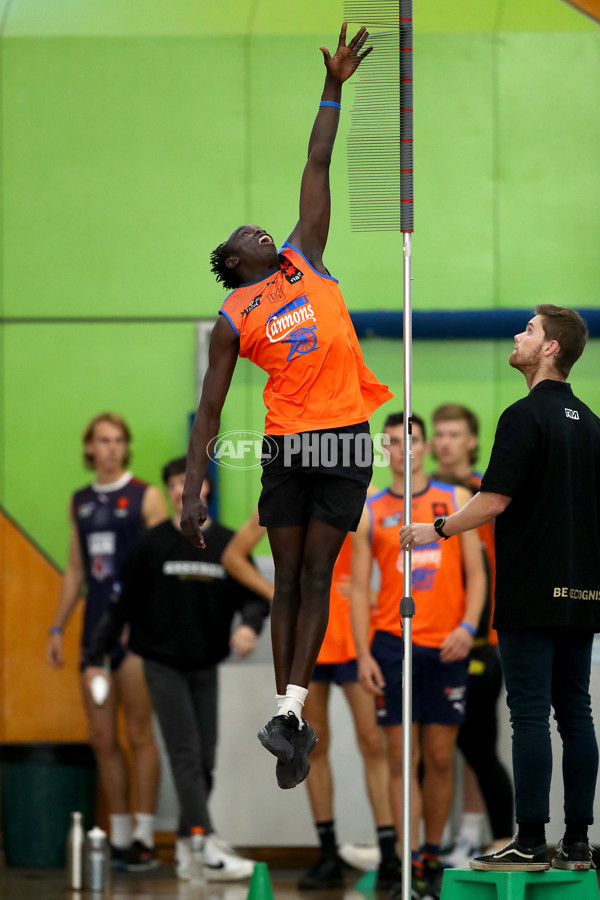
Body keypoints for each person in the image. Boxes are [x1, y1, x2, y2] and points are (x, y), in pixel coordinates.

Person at [180, 23, 392, 790]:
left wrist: (334, 85)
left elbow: (317, 158)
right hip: (287, 444)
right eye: (243, 235)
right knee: (289, 572)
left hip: (342, 436)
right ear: (235, 262)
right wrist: (194, 490)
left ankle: (290, 714)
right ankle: (291, 716)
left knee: (317, 576)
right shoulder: (236, 315)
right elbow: (207, 415)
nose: (258, 226)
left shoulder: (307, 256)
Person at [400, 305, 600, 873]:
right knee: (577, 714)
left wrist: (434, 527)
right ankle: (578, 841)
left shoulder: (522, 415)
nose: (520, 335)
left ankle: (532, 838)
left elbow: (494, 500)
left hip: (532, 591)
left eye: (530, 330)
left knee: (531, 715)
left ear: (551, 349)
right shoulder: (590, 422)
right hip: (583, 592)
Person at [84, 457, 269, 881]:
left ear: (207, 489)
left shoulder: (226, 543)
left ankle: (188, 845)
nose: (184, 490)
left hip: (206, 665)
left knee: (205, 758)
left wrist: (250, 628)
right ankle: (204, 843)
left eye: (194, 483)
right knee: (186, 754)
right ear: (170, 492)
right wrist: (95, 657)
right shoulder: (151, 545)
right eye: (176, 484)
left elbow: (256, 597)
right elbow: (122, 607)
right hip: (162, 665)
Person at [222, 504, 400, 890]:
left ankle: (390, 855)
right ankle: (327, 854)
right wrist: (280, 594)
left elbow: (382, 554)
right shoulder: (289, 491)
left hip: (355, 639)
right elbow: (233, 555)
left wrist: (371, 597)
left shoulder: (356, 492)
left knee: (373, 742)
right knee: (313, 747)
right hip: (310, 643)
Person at [351, 412, 486, 900]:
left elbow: (478, 574)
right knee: (398, 758)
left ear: (425, 446)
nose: (403, 449)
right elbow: (358, 589)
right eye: (392, 442)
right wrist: (363, 654)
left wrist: (469, 627)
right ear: (384, 450)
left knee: (438, 755)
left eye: (410, 440)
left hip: (447, 643)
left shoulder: (453, 503)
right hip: (392, 643)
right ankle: (406, 863)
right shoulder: (370, 510)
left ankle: (432, 855)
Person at [46, 412, 167, 869]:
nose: (112, 447)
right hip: (94, 632)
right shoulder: (80, 501)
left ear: (125, 447)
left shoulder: (146, 497)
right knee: (101, 735)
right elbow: (75, 570)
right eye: (103, 440)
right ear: (90, 448)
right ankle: (116, 835)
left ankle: (143, 834)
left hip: (136, 633)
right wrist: (57, 627)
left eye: (119, 440)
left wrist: (146, 619)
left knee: (139, 731)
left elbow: (159, 567)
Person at [430, 404, 514, 862]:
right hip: (433, 636)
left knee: (477, 745)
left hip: (484, 636)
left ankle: (488, 837)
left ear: (471, 441)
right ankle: (450, 839)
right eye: (439, 434)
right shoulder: (424, 497)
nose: (444, 442)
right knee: (442, 748)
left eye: (454, 434)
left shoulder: (488, 495)